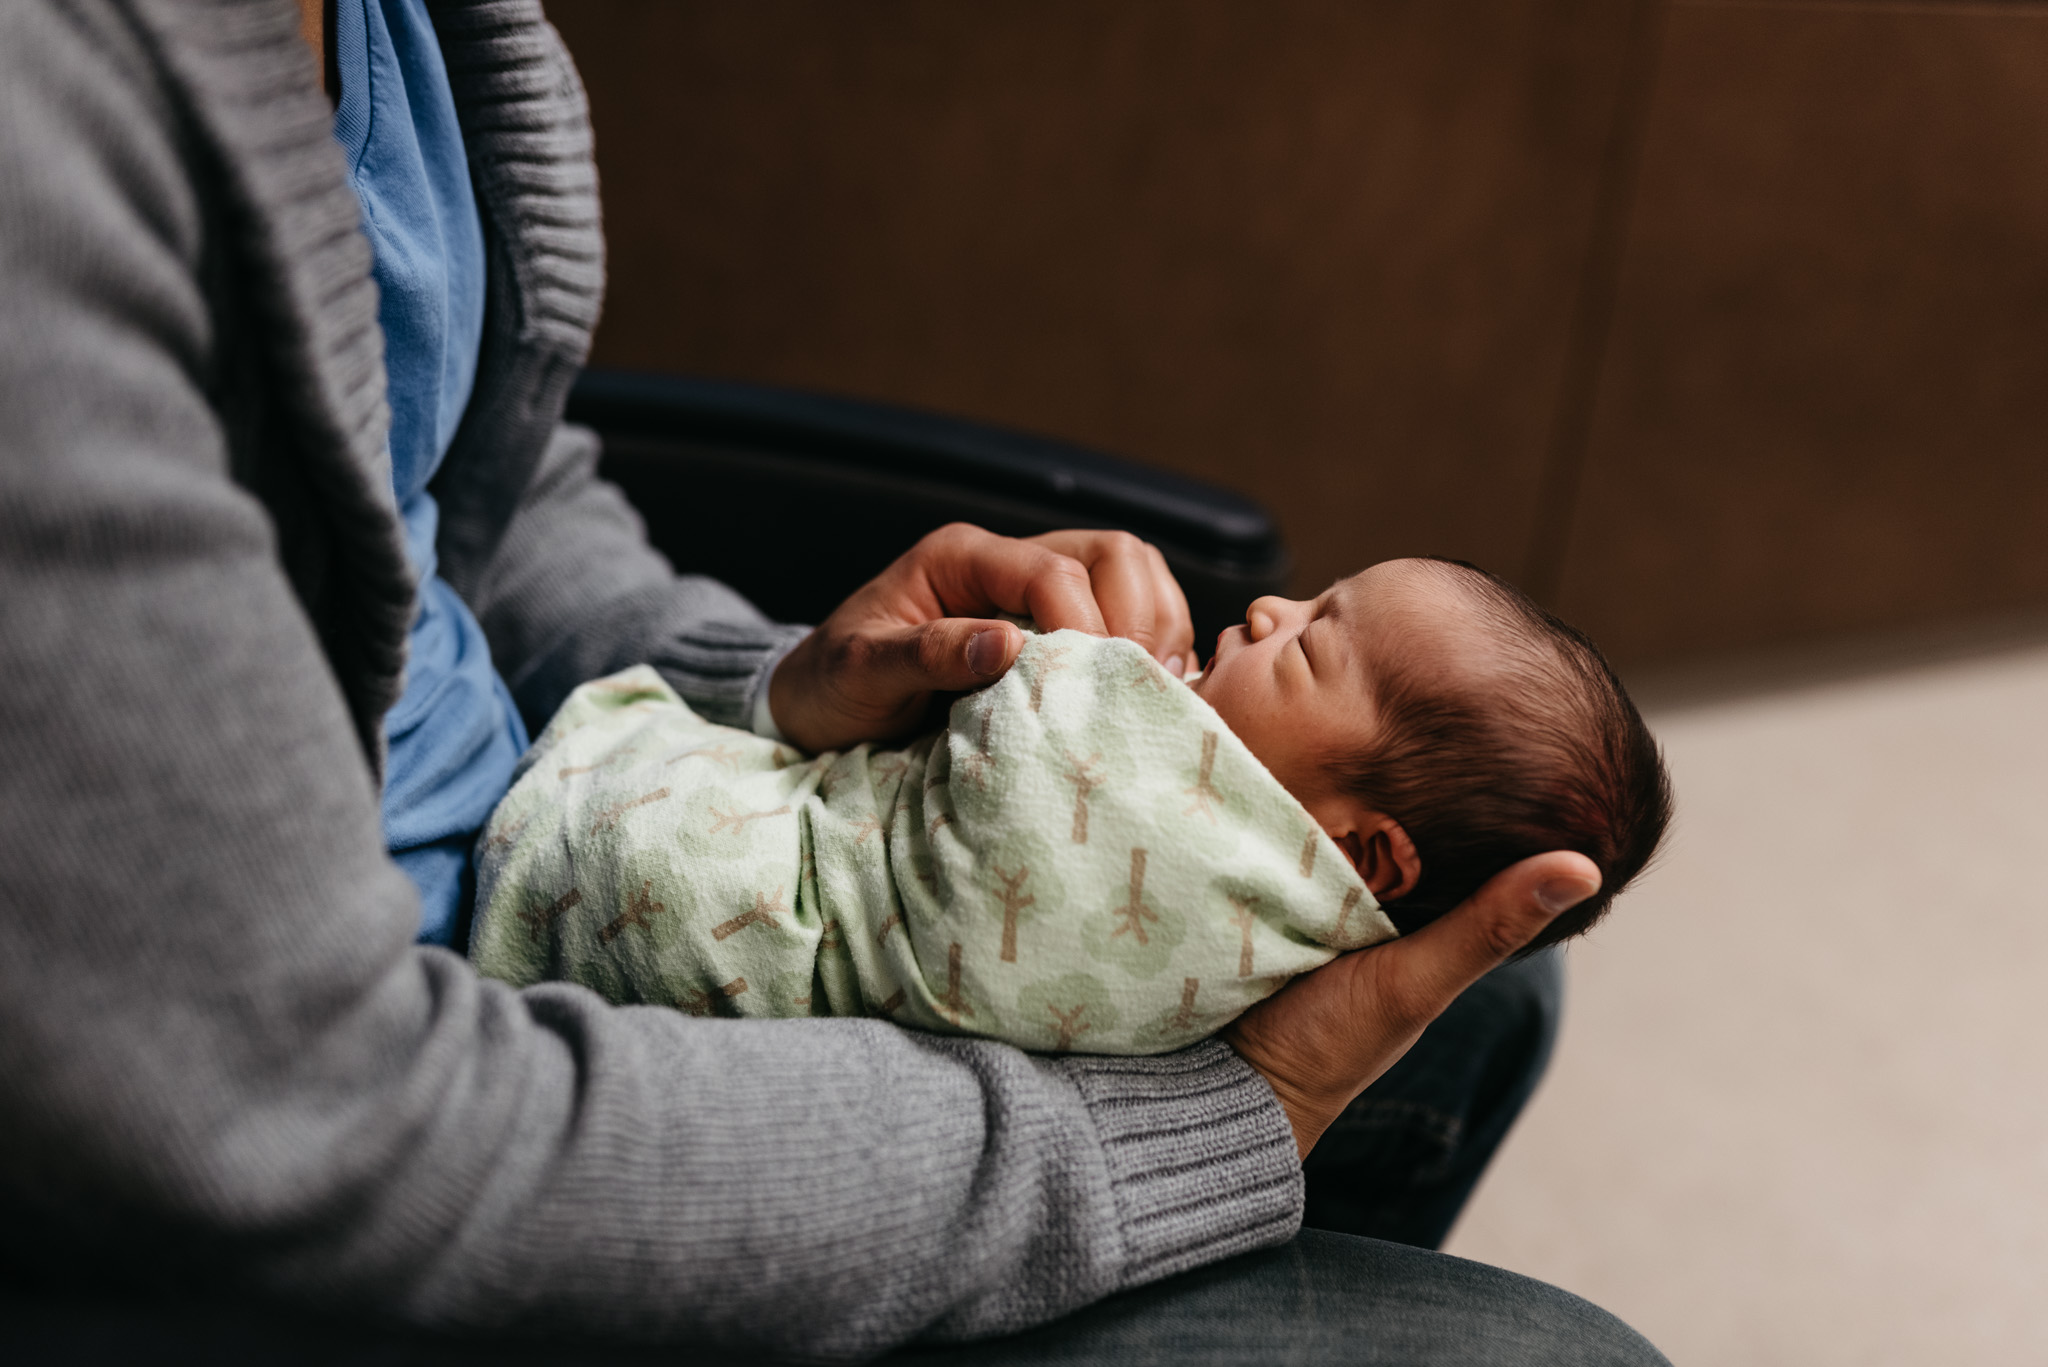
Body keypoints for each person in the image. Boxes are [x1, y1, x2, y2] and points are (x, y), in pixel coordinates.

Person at [0, 1, 1669, 1362]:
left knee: (1484, 1001)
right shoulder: (47, 147)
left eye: (1321, 638)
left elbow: (475, 494)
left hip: (545, 809)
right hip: (394, 1095)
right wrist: (1235, 1118)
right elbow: (307, 1131)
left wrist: (781, 691)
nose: (1267, 613)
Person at [466, 559, 1671, 1058]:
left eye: (1308, 650)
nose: (1262, 608)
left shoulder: (1193, 848)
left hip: (674, 912)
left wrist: (1077, 664)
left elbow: (1017, 794)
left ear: (1363, 849)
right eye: (1308, 600)